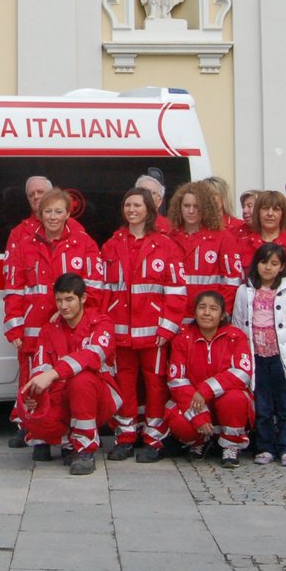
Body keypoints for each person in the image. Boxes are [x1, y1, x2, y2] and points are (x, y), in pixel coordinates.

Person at [4, 187, 106, 448]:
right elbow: (14, 288)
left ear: (67, 213)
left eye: (58, 211)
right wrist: (14, 327)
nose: (52, 216)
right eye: (47, 211)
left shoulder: (84, 243)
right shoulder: (25, 245)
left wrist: (80, 318)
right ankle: (35, 433)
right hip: (34, 326)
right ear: (39, 214)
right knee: (32, 377)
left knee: (69, 378)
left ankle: (69, 433)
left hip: (71, 326)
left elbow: (94, 287)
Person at [101, 187, 187, 463]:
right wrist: (104, 325)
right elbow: (103, 290)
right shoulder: (113, 245)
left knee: (155, 386)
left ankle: (154, 439)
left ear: (149, 210)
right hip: (120, 331)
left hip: (154, 333)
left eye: (137, 205)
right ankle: (125, 437)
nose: (132, 210)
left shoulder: (166, 246)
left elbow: (176, 292)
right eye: (128, 205)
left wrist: (168, 328)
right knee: (124, 383)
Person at [19, 273, 121, 475]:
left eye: (69, 299)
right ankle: (67, 442)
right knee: (34, 410)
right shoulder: (49, 330)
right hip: (63, 396)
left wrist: (53, 374)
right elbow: (40, 369)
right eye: (58, 300)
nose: (63, 306)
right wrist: (34, 396)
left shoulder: (101, 324)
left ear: (83, 298)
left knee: (81, 380)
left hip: (99, 398)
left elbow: (92, 356)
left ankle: (85, 450)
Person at [233, 243, 286, 467]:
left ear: (282, 267)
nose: (268, 268)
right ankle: (265, 445)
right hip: (257, 356)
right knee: (263, 405)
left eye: (274, 263)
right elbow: (239, 326)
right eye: (264, 262)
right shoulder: (245, 291)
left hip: (282, 357)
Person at [165, 290, 254, 467]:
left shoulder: (235, 337)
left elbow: (242, 373)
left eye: (213, 309)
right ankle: (200, 442)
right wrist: (199, 415)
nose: (206, 313)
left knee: (235, 398)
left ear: (222, 315)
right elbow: (177, 381)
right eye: (202, 307)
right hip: (193, 400)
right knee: (180, 421)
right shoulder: (182, 338)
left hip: (222, 399)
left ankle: (230, 445)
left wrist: (206, 389)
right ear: (194, 312)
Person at [167, 180, 240, 313]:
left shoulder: (223, 237)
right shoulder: (169, 238)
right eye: (186, 205)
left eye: (196, 206)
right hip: (177, 316)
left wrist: (218, 312)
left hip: (208, 317)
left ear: (206, 208)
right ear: (179, 207)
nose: (191, 211)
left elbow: (232, 283)